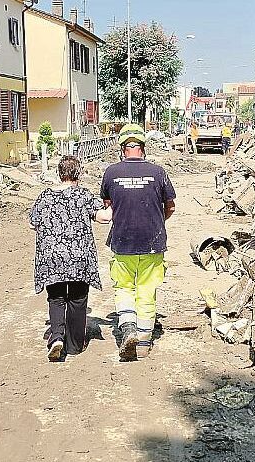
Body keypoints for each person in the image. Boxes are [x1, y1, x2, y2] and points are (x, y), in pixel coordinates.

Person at [100, 124, 176, 361]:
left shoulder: (111, 173)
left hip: (122, 242)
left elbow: (108, 207)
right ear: (143, 148)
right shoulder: (159, 172)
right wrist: (155, 221)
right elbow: (170, 206)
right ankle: (143, 343)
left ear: (123, 148)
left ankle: (128, 328)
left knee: (124, 288)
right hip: (152, 242)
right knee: (146, 290)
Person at [30, 155, 111, 362]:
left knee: (56, 298)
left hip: (51, 257)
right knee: (77, 298)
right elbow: (104, 218)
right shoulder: (83, 195)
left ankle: (57, 338)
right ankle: (75, 345)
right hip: (78, 257)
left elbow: (32, 223)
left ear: (59, 173)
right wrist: (115, 202)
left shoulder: (44, 196)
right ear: (79, 173)